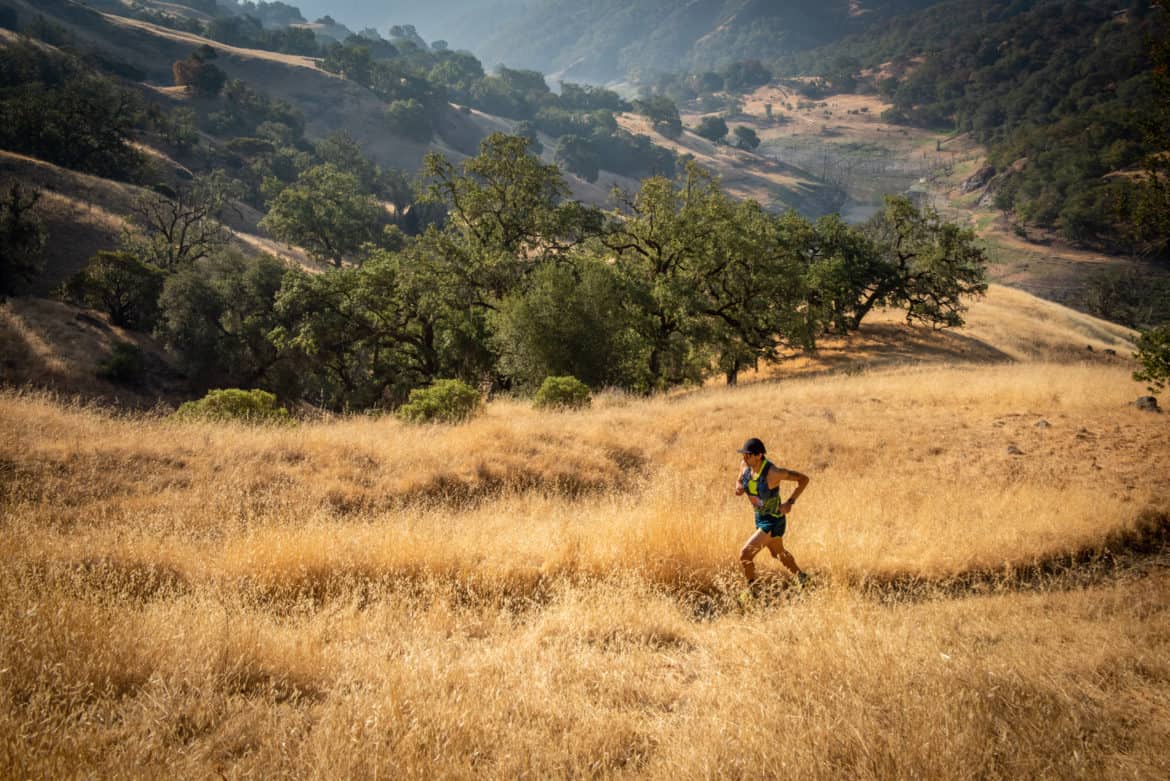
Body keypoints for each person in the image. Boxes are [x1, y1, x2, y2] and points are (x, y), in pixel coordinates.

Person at [734, 437, 809, 591]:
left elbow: (804, 479)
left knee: (745, 554)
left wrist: (790, 502)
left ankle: (751, 592)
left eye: (748, 455)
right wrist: (739, 487)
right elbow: (739, 480)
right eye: (744, 454)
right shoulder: (745, 465)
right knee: (778, 553)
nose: (744, 457)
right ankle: (802, 578)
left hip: (773, 520)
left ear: (759, 455)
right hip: (759, 517)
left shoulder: (774, 473)